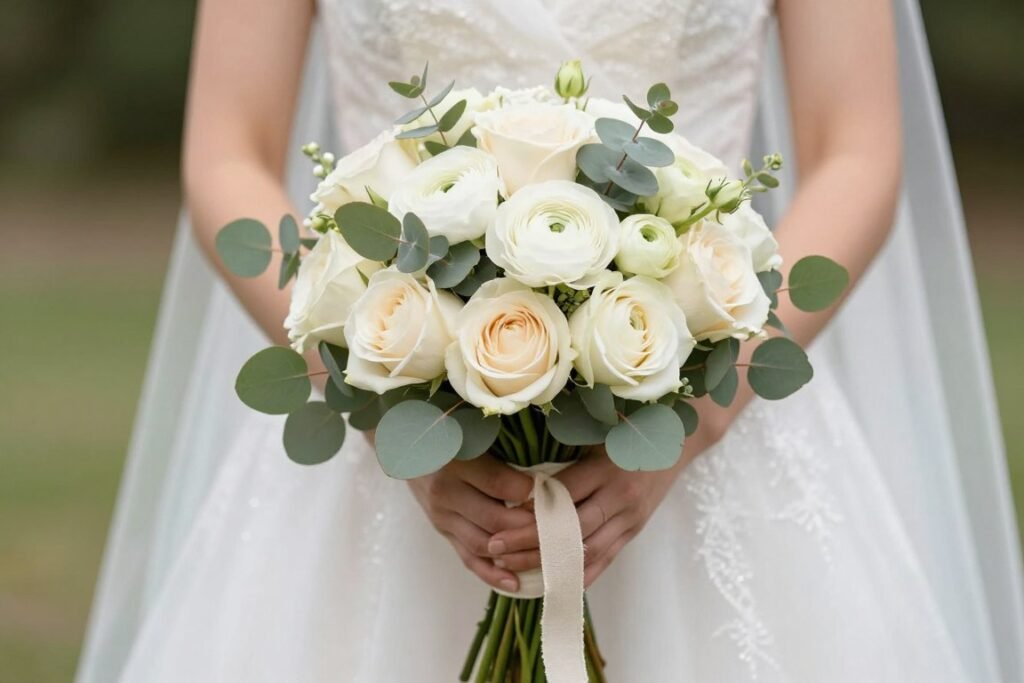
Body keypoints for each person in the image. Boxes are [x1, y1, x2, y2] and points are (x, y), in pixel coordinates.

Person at [77, 0, 1024, 681]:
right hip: (381, 409)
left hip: (711, 406)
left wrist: (695, 414)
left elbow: (857, 148)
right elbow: (226, 151)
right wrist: (384, 401)